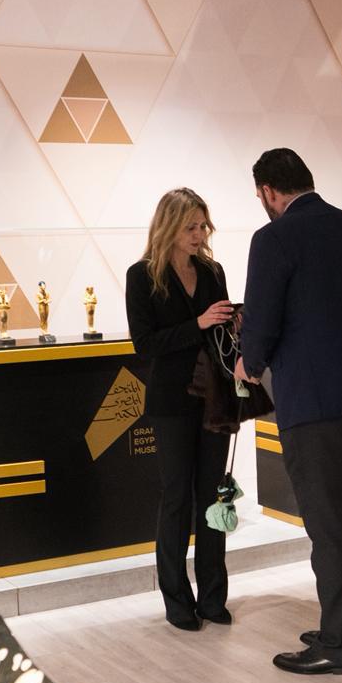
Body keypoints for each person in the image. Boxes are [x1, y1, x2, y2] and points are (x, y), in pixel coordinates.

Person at [237, 148, 342, 676]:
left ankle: (338, 644)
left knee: (330, 526)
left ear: (268, 191)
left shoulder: (273, 239)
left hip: (318, 400)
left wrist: (248, 364)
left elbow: (261, 320)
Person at [124, 188, 235, 632]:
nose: (199, 234)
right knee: (176, 499)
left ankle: (213, 596)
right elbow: (145, 345)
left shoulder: (212, 271)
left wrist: (231, 326)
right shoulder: (142, 276)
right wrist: (198, 324)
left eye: (203, 225)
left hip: (213, 398)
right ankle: (176, 598)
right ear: (168, 226)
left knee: (213, 497)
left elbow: (221, 335)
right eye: (190, 226)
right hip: (171, 401)